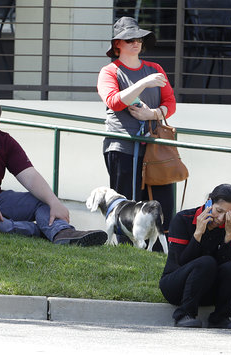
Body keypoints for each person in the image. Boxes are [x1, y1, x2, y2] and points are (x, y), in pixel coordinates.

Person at [0, 96, 107, 246]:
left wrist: (54, 202)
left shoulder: (4, 142)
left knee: (42, 200)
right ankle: (37, 231)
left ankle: (63, 234)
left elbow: (29, 175)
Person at [97, 16, 177, 250]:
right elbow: (113, 101)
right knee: (127, 202)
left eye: (139, 38)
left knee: (162, 203)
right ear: (117, 44)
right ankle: (126, 250)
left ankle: (161, 252)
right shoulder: (109, 71)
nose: (136, 43)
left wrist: (152, 114)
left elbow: (170, 103)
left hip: (155, 148)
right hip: (123, 147)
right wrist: (143, 84)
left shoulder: (155, 69)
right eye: (129, 39)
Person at [159, 184, 231, 329]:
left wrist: (229, 235)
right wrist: (198, 233)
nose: (221, 218)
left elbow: (225, 263)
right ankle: (184, 314)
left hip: (206, 288)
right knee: (206, 262)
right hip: (175, 286)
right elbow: (181, 261)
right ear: (209, 202)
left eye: (229, 214)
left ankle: (221, 318)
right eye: (219, 211)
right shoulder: (183, 219)